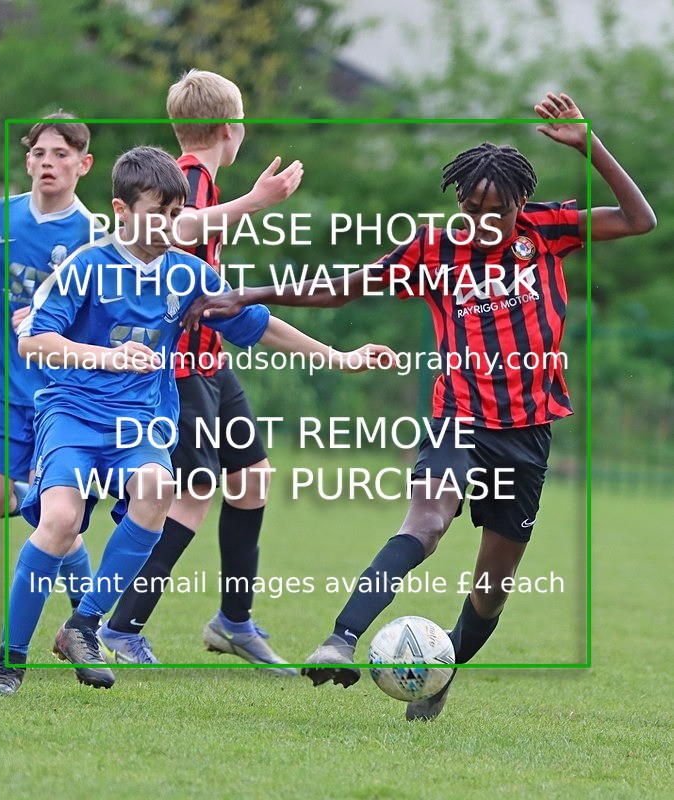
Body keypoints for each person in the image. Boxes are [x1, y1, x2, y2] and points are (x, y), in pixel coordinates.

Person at [182, 92, 656, 719]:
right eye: (474, 209)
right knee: (425, 524)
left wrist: (589, 145)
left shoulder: (549, 231)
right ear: (461, 203)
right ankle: (339, 640)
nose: (486, 223)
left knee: (491, 589)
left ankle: (439, 672)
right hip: (457, 418)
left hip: (527, 432)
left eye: (500, 212)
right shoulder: (433, 251)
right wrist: (249, 294)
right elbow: (339, 293)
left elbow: (639, 219)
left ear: (521, 205)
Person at [0, 145, 394, 695]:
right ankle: (8, 660)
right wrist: (107, 357)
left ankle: (83, 624)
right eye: (158, 214)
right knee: (59, 522)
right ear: (121, 210)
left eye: (177, 215)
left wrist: (340, 358)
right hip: (73, 413)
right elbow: (33, 340)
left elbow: (262, 326)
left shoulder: (188, 274)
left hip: (143, 420)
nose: (171, 226)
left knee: (156, 488)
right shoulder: (85, 266)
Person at [97, 69, 304, 673]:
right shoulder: (187, 180)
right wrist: (257, 203)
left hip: (211, 360)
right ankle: (119, 626)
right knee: (192, 494)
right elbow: (175, 229)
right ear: (232, 128)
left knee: (252, 478)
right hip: (179, 367)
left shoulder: (205, 182)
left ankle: (232, 622)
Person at [0, 113, 95, 610]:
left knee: (59, 517)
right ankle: (45, 506)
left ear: (83, 164)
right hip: (3, 386)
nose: (48, 163)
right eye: (40, 154)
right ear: (28, 161)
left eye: (61, 155)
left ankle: (85, 623)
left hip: (60, 396)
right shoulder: (1, 214)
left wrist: (49, 320)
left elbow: (95, 317)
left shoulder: (92, 235)